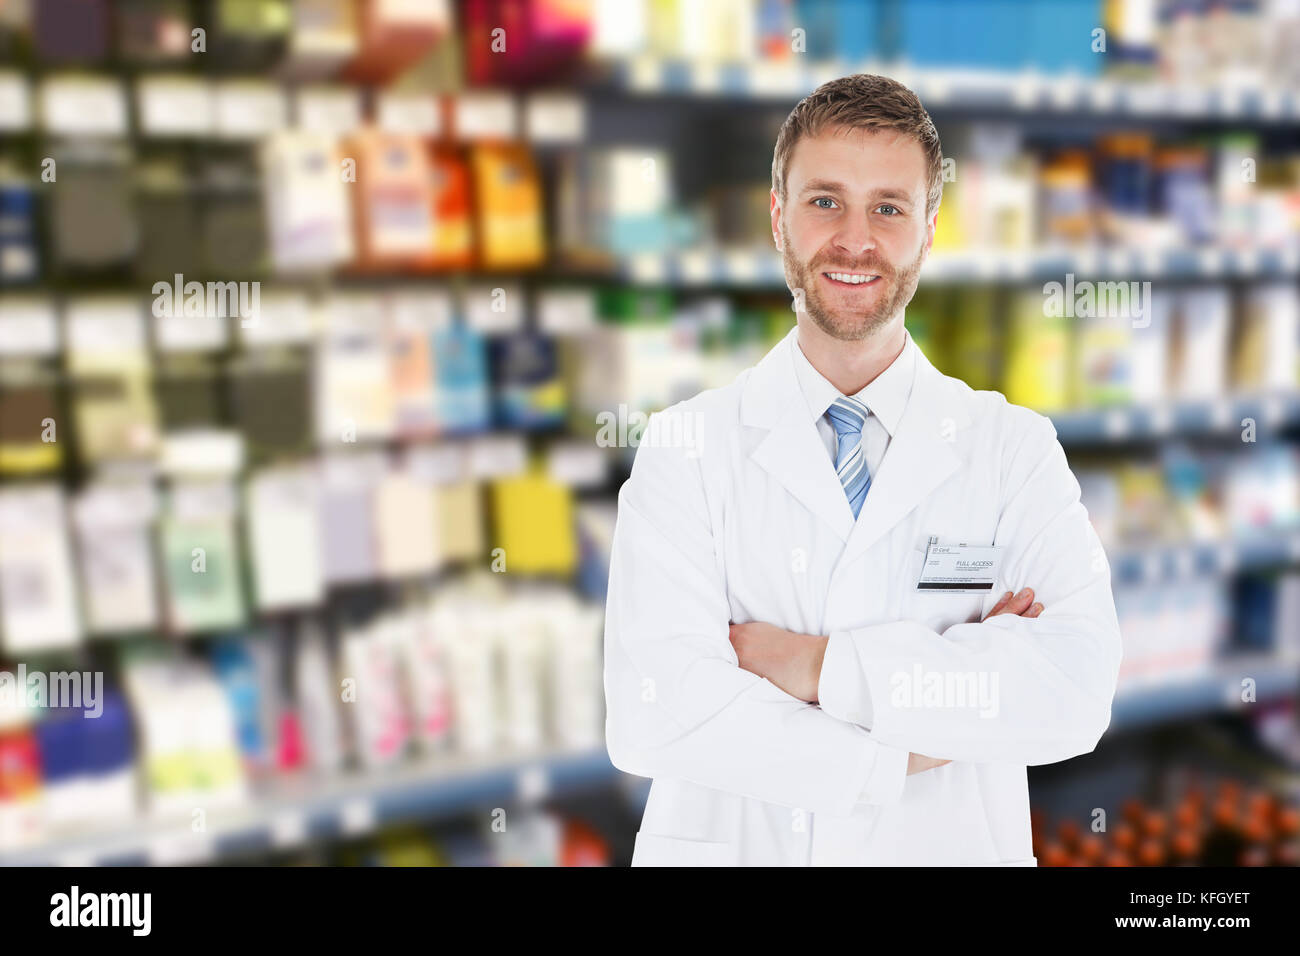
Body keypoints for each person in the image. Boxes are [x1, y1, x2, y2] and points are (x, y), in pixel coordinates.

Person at [603, 73, 1122, 866]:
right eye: (824, 201)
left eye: (888, 206)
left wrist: (817, 668)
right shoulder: (685, 450)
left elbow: (1074, 690)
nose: (855, 239)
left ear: (929, 228)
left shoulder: (1011, 450)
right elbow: (656, 713)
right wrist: (920, 740)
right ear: (778, 218)